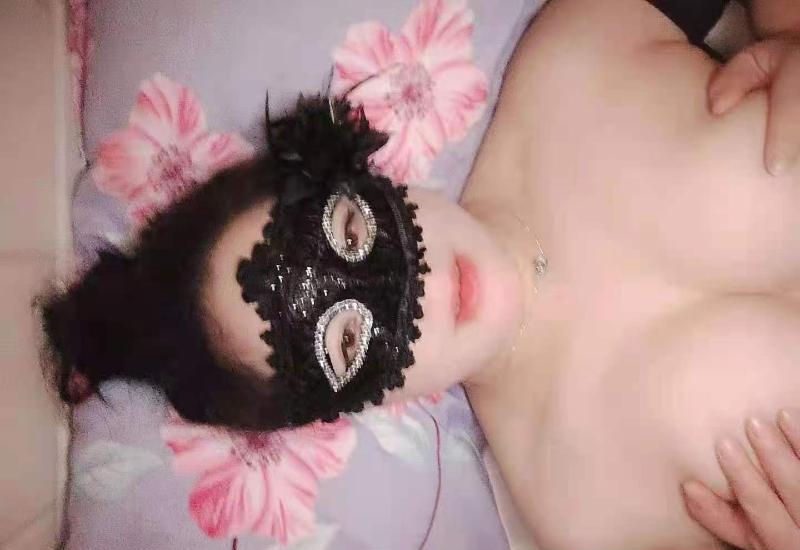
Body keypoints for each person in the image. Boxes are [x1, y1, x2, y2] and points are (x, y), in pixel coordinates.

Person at [41, 0, 800, 548]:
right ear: (338, 410)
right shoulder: (586, 517)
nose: (423, 287)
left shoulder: (575, 52)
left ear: (347, 171)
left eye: (347, 233)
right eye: (344, 339)